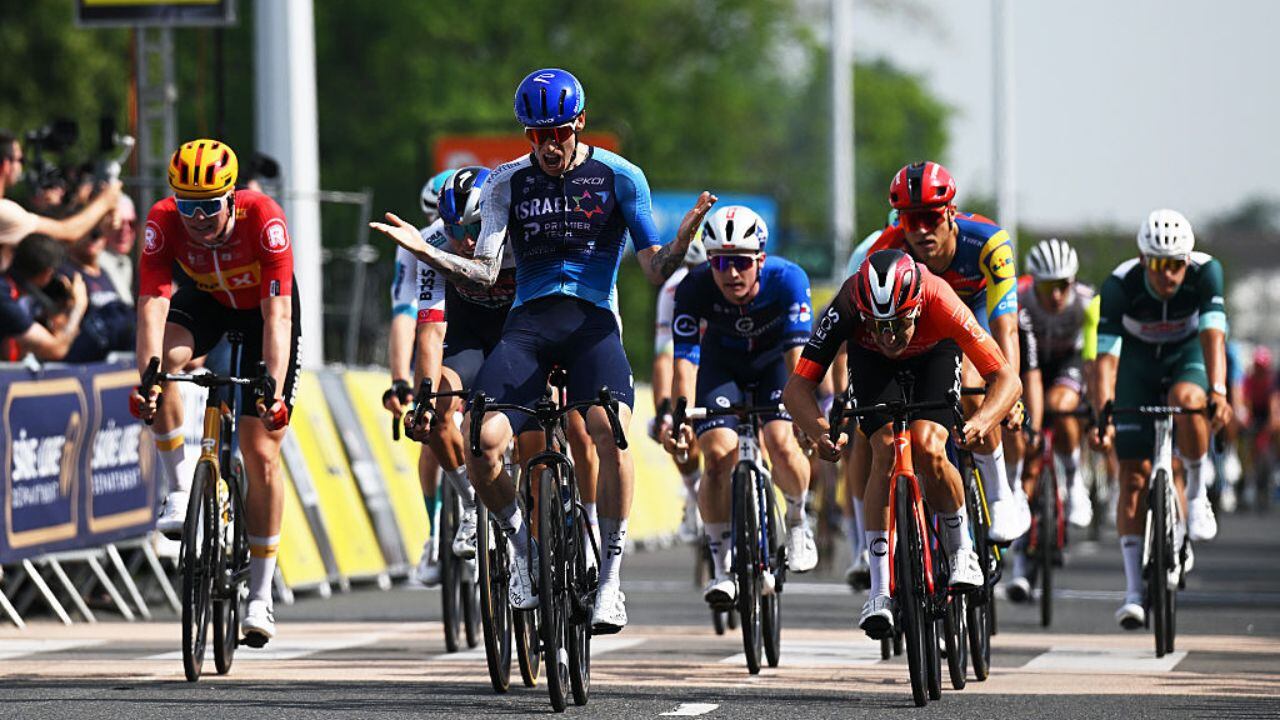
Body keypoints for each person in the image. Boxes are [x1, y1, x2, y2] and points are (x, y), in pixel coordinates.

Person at [376, 68, 715, 634]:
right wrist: (424, 250)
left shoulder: (621, 176)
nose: (549, 145)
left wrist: (681, 241)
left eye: (558, 132)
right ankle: (525, 551)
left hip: (591, 322)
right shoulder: (507, 181)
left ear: (578, 124)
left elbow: (655, 269)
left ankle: (609, 579)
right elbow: (485, 272)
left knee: (611, 428)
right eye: (537, 135)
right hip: (528, 323)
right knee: (482, 441)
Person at [783, 249, 1021, 638]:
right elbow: (797, 389)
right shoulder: (847, 303)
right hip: (871, 364)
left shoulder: (939, 297)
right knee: (884, 448)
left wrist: (982, 421)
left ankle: (962, 551)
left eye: (896, 323)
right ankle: (879, 590)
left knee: (928, 445)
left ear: (915, 307)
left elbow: (1006, 378)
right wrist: (820, 431)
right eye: (877, 324)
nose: (888, 335)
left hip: (934, 356)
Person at [132, 139, 300, 647]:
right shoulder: (161, 221)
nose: (199, 217)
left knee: (259, 451)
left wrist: (272, 386)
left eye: (209, 205)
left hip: (263, 314)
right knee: (164, 369)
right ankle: (181, 488)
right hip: (206, 302)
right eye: (189, 206)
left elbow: (278, 314)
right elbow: (150, 307)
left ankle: (260, 596)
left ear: (231, 197)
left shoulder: (263, 217)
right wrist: (146, 381)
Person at [659, 205, 818, 607]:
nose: (731, 273)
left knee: (781, 441)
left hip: (774, 365)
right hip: (721, 366)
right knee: (715, 456)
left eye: (742, 263)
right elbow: (684, 362)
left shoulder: (788, 280)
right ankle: (721, 566)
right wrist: (680, 418)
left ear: (760, 260)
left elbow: (798, 359)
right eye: (721, 262)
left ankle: (798, 518)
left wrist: (804, 417)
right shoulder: (692, 288)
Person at [866, 161, 1027, 544]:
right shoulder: (888, 248)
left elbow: (1006, 326)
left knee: (973, 382)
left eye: (930, 217)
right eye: (909, 220)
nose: (921, 230)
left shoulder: (989, 243)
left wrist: (1009, 396)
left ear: (950, 212)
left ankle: (1000, 492)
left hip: (977, 313)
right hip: (926, 322)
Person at [1091, 209, 1231, 630]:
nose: (1167, 274)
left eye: (1175, 264)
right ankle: (1134, 591)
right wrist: (1103, 415)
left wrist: (1219, 393)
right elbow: (1105, 362)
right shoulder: (1120, 284)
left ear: (1187, 261)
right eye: (1157, 263)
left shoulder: (1207, 273)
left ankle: (1196, 494)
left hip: (1185, 356)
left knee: (1188, 399)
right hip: (1137, 364)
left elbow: (1213, 337)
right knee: (1133, 476)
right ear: (1142, 258)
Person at [1003, 238, 1100, 604]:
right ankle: (1019, 562)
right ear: (1034, 282)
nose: (1057, 295)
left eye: (1063, 285)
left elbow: (1093, 359)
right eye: (1048, 286)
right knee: (1026, 453)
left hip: (1066, 367)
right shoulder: (1018, 297)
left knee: (1062, 407)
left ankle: (1074, 483)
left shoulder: (1086, 301)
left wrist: (1092, 403)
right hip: (1030, 367)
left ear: (1072, 283)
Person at [383, 168, 453, 586]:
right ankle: (435, 529)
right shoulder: (416, 244)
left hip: (470, 319)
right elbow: (405, 315)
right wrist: (399, 380)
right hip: (435, 322)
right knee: (431, 425)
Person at [650, 229, 707, 543]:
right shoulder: (673, 291)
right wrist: (663, 411)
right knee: (678, 419)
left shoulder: (725, 282)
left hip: (718, 351)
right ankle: (692, 489)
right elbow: (664, 356)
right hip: (687, 354)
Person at [0, 131, 122, 270]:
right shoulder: (3, 211)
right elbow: (67, 232)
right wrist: (105, 200)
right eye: (21, 160)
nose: (22, 167)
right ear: (6, 164)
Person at [0, 234, 87, 361]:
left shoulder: (16, 293)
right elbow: (56, 349)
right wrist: (79, 306)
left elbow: (58, 334)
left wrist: (67, 309)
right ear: (47, 272)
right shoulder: (4, 297)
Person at [60, 219, 135, 363]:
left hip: (113, 360)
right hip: (79, 360)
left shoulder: (107, 272)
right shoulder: (65, 273)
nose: (92, 238)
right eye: (86, 233)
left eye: (97, 233)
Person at [99, 194, 136, 306]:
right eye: (119, 223)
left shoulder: (125, 262)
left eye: (131, 224)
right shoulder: (97, 261)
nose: (125, 230)